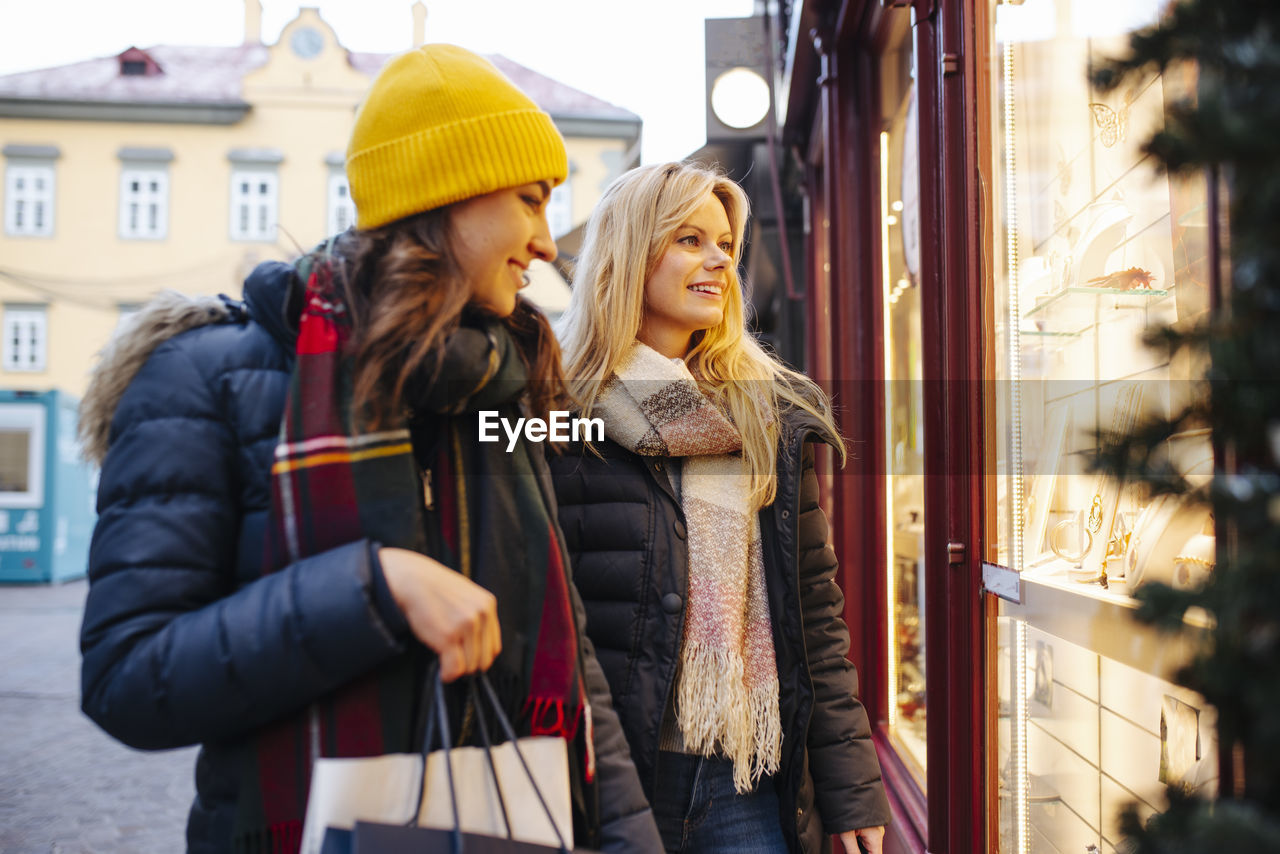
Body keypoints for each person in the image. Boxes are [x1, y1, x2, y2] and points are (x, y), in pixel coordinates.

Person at [77, 44, 660, 854]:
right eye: (529, 199)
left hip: (509, 824)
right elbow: (127, 678)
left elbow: (571, 661)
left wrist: (631, 840)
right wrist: (369, 590)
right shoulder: (204, 377)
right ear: (445, 193)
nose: (544, 241)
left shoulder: (505, 385)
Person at [550, 162, 892, 854]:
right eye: (689, 240)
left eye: (725, 246)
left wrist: (851, 784)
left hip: (745, 780)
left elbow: (814, 617)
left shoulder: (765, 416)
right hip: (611, 782)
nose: (718, 262)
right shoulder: (557, 413)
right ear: (631, 252)